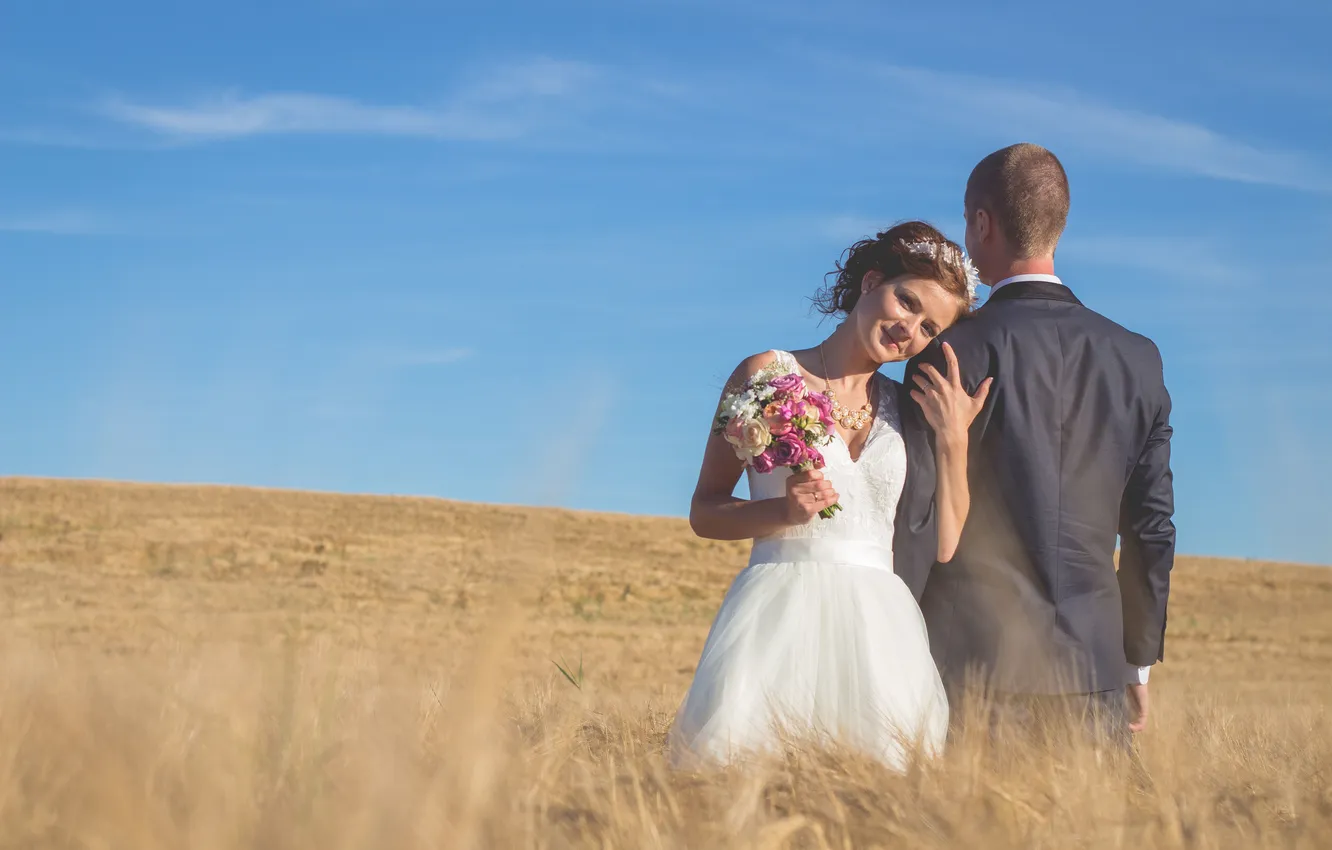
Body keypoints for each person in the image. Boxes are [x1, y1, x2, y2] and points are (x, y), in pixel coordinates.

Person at [667, 220, 990, 770]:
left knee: (876, 807)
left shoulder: (910, 411)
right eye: (905, 300)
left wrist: (954, 441)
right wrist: (779, 511)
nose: (908, 328)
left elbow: (947, 542)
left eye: (930, 328)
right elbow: (705, 510)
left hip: (881, 636)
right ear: (870, 283)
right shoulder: (765, 374)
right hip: (777, 620)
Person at [901, 143, 1176, 746]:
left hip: (970, 668)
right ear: (1059, 224)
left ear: (981, 223)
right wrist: (1136, 660)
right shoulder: (1138, 360)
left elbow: (915, 517)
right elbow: (1151, 526)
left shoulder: (947, 353)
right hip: (1094, 670)